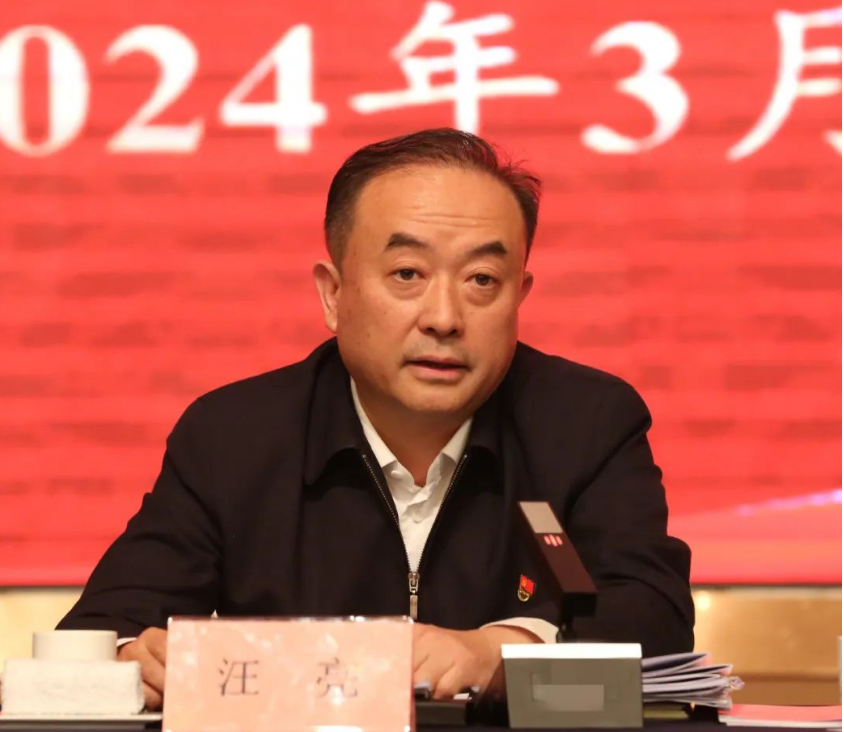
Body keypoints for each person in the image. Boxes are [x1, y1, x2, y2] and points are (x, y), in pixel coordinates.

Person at [58, 128, 694, 710]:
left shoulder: (582, 426)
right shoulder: (234, 438)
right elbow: (100, 632)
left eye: (481, 280)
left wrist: (500, 653)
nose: (443, 318)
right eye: (407, 274)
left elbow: (653, 626)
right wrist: (135, 662)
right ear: (334, 294)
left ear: (519, 297)